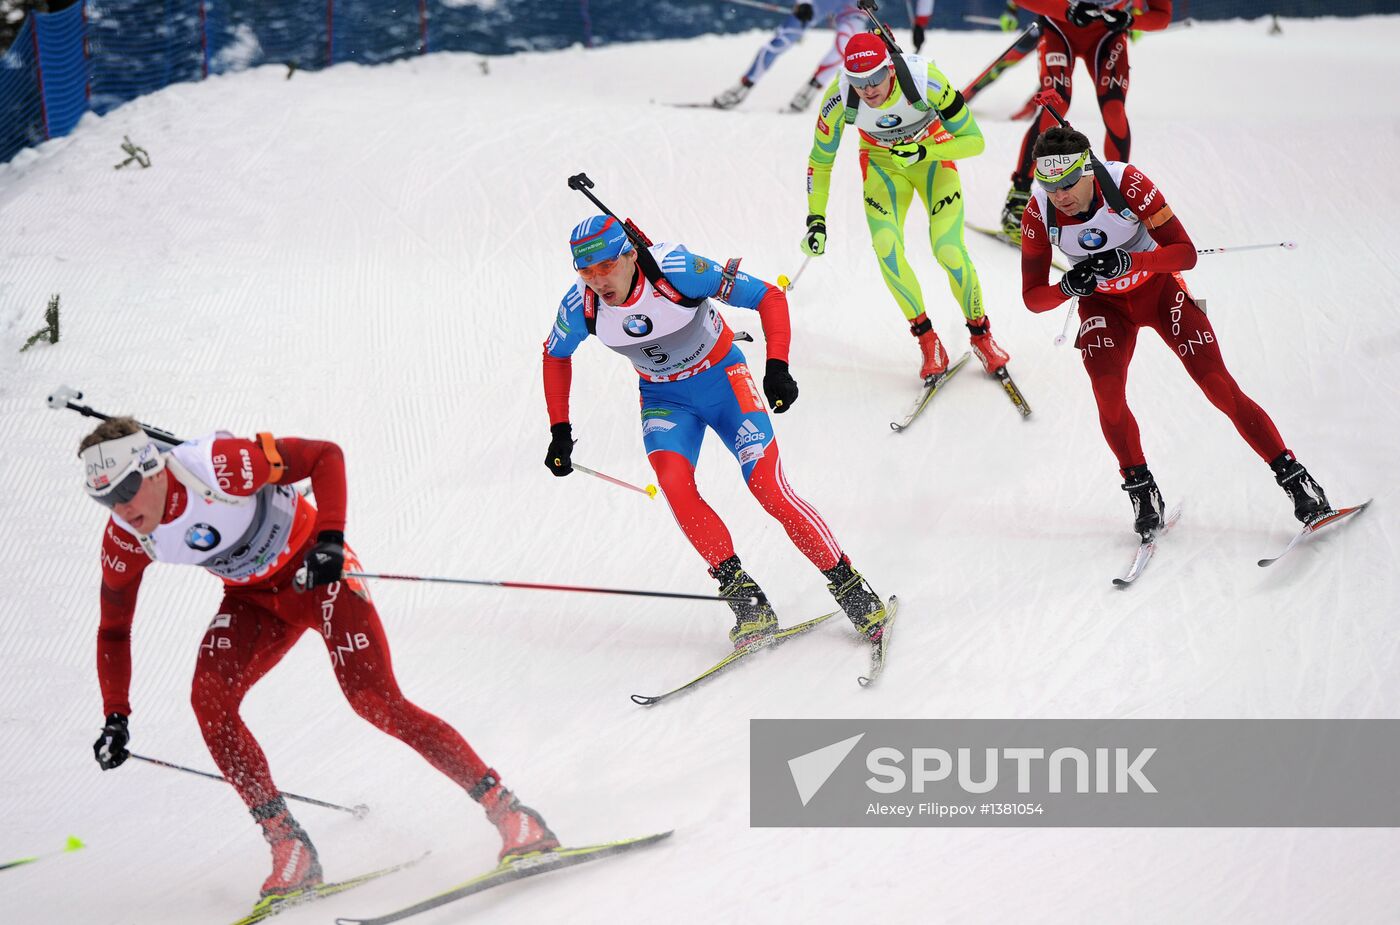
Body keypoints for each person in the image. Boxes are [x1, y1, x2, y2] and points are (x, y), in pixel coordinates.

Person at [81, 419, 558, 903]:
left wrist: (330, 540)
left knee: (374, 700)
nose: (120, 508)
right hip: (253, 601)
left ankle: (512, 813)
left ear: (153, 467)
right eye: (104, 498)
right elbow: (113, 630)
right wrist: (116, 715)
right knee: (209, 702)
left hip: (316, 571)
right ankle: (289, 846)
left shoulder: (219, 466)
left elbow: (325, 455)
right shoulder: (125, 537)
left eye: (126, 489)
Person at [542, 214, 889, 646]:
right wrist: (560, 429)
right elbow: (555, 356)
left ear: (629, 254)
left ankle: (850, 586)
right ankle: (747, 601)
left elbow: (767, 296)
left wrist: (777, 366)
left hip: (724, 380)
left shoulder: (677, 271)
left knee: (767, 486)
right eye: (586, 271)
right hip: (665, 399)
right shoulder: (581, 305)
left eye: (606, 266)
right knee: (675, 485)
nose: (597, 280)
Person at [1019, 126, 1333, 534]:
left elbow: (1185, 254)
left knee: (1218, 385)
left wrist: (1132, 262)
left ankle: (1298, 481)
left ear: (1088, 170)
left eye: (1066, 184)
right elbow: (1033, 298)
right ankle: (1142, 490)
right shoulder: (1038, 212)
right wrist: (1068, 286)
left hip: (1160, 292)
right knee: (1108, 395)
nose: (1059, 195)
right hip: (1103, 306)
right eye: (1048, 185)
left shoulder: (1126, 183)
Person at [802, 30, 1012, 382]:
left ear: (890, 69)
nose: (868, 90)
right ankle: (928, 341)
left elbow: (974, 141)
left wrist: (924, 151)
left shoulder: (925, 80)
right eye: (858, 82)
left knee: (948, 250)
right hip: (882, 165)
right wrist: (816, 220)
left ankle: (982, 336)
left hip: (931, 156)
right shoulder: (839, 96)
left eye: (874, 78)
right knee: (886, 247)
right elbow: (819, 161)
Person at [999, 0, 1173, 241]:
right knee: (1056, 104)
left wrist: (1132, 20)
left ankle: (1118, 196)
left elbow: (1162, 15)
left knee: (1113, 110)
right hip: (1058, 28)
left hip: (1107, 34)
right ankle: (1018, 193)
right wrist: (1065, 10)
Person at [713, 1, 868, 113]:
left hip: (852, 5)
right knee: (783, 40)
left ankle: (808, 92)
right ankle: (743, 86)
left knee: (845, 46)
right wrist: (803, 3)